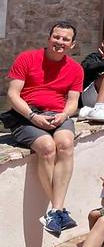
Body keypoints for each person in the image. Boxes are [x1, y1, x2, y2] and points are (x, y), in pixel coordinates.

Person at [4, 22, 82, 236]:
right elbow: (12, 95)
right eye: (57, 37)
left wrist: (63, 115)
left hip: (57, 114)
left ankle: (55, 210)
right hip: (25, 116)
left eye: (66, 39)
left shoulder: (75, 68)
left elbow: (73, 102)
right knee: (47, 147)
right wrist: (33, 116)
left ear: (72, 44)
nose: (60, 42)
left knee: (65, 144)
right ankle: (58, 210)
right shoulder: (27, 58)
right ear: (49, 38)